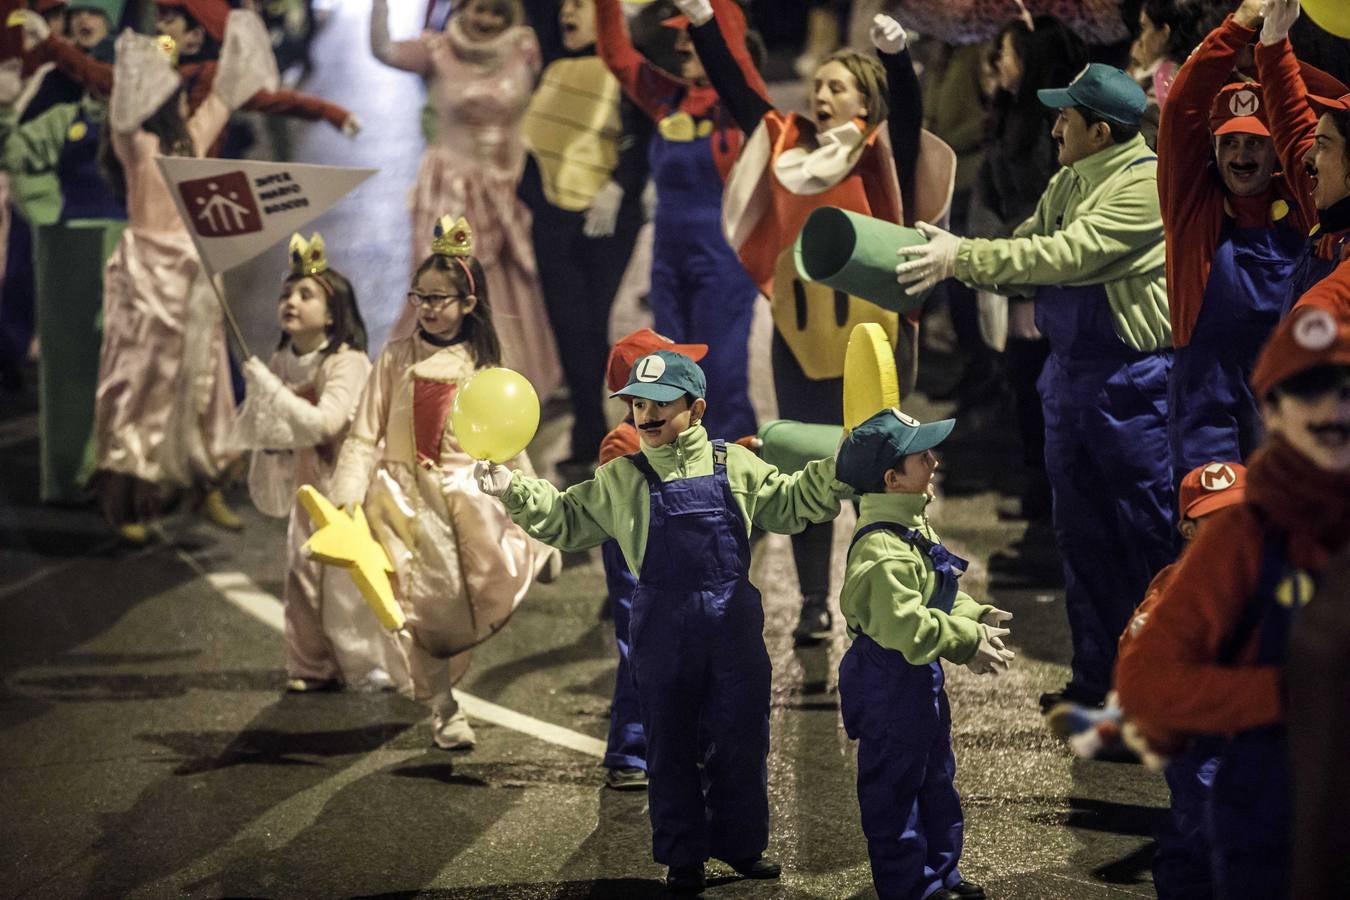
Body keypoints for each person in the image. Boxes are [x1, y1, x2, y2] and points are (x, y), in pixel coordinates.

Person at [475, 349, 849, 893]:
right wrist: (515, 489)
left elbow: (790, 503)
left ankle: (742, 847)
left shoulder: (736, 464)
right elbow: (567, 519)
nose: (645, 415)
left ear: (695, 409)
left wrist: (837, 471)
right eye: (636, 405)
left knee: (742, 739)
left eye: (659, 405)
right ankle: (683, 856)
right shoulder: (622, 477)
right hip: (661, 627)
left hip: (732, 628)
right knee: (669, 746)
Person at [897, 63, 1174, 711]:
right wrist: (961, 251)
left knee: (1142, 537)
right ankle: (1098, 683)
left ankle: (1158, 693)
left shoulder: (1142, 186)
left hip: (1129, 385)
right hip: (1072, 378)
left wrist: (961, 258)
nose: (1054, 127)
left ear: (1099, 131)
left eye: (1066, 119)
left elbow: (1064, 257)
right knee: (1080, 535)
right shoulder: (1074, 177)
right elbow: (1030, 244)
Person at [676, 0, 953, 645]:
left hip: (877, 339)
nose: (821, 95)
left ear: (866, 99)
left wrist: (896, 58)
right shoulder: (786, 148)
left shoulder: (883, 153)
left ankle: (882, 592)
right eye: (818, 84)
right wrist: (704, 25)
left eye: (838, 86)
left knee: (876, 470)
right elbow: (741, 92)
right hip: (797, 338)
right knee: (807, 465)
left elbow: (908, 114)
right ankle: (812, 602)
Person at [1115, 300, 1350, 899]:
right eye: (1308, 393)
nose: (1330, 411)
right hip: (1263, 799)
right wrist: (1283, 695)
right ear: (1272, 414)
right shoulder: (1241, 543)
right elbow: (1148, 681)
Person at [326, 216, 557, 751]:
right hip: (405, 504)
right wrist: (346, 498)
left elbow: (509, 443)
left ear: (468, 304)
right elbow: (364, 433)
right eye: (421, 297)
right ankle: (444, 709)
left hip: (468, 500)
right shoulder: (395, 359)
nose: (428, 307)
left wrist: (541, 526)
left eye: (440, 298)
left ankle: (533, 558)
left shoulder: (482, 365)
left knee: (473, 596)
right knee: (422, 611)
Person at [90, 15, 277, 543]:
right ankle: (129, 498)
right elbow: (126, 101)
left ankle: (204, 484)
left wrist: (241, 20)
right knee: (141, 384)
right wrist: (149, 53)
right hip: (148, 272)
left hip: (194, 271)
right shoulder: (131, 140)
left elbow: (227, 92)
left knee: (205, 381)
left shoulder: (188, 137)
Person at [834, 407, 1012, 900]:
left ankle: (941, 874)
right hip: (889, 680)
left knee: (936, 778)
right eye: (921, 457)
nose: (934, 461)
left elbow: (941, 590)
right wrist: (964, 640)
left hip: (918, 677)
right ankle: (908, 887)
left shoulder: (910, 527)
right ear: (892, 480)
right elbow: (908, 627)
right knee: (894, 790)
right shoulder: (882, 554)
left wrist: (975, 614)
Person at [230, 233, 407, 694]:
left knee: (350, 580)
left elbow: (324, 424)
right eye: (286, 294)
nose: (291, 301)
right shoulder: (283, 359)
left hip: (351, 484)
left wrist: (268, 389)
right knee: (303, 572)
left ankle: (371, 662)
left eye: (305, 295)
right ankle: (310, 665)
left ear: (332, 314)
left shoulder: (346, 363)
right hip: (309, 485)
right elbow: (277, 428)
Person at [369, 0, 561, 399]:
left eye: (497, 13)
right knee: (449, 276)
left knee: (511, 279)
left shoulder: (525, 47)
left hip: (508, 183)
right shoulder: (436, 49)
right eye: (478, 9)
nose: (486, 20)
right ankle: (439, 381)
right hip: (450, 188)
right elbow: (383, 50)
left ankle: (509, 376)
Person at [592, 0, 762, 441]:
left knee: (721, 376)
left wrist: (712, 21)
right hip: (668, 258)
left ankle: (737, 479)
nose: (682, 43)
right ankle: (670, 480)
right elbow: (616, 55)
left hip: (722, 261)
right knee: (664, 374)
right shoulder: (667, 96)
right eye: (683, 34)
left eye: (692, 34)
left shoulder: (743, 101)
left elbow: (737, 62)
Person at [1160, 0, 1309, 489]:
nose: (1241, 154)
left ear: (1277, 151)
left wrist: (1274, 50)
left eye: (1255, 142)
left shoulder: (1306, 210)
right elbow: (1181, 109)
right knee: (1211, 540)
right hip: (1206, 413)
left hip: (1285, 409)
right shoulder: (1192, 208)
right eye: (1230, 143)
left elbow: (1307, 122)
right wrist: (1240, 24)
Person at [518, 0, 650, 476]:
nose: (566, 13)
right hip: (553, 217)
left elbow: (647, 135)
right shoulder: (555, 66)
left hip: (606, 218)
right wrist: (533, 199)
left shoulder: (628, 70)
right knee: (572, 331)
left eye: (580, 5)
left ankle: (608, 434)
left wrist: (621, 184)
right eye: (565, 5)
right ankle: (591, 431)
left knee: (594, 326)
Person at [968, 14, 1087, 521]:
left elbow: (1047, 206)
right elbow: (991, 186)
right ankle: (1039, 490)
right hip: (1013, 269)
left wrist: (1003, 245)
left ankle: (1050, 498)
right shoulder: (1009, 113)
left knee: (1040, 386)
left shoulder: (1051, 130)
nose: (1000, 64)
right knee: (1023, 382)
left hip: (1038, 277)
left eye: (1009, 54)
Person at [14, 0, 359, 154]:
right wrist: (50, 43)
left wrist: (336, 115)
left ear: (194, 37)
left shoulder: (214, 78)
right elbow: (99, 76)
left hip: (199, 203)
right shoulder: (154, 72)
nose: (160, 28)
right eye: (159, 21)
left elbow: (274, 100)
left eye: (168, 23)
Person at [595, 327, 709, 792]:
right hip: (634, 553)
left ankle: (679, 739)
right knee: (640, 644)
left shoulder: (673, 432)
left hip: (671, 551)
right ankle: (629, 749)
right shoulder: (623, 443)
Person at [1256, 0, 1350, 317]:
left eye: (1322, 145)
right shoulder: (1327, 214)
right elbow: (1292, 120)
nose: (1308, 157)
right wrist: (1273, 39)